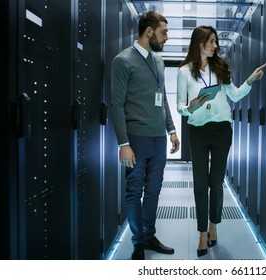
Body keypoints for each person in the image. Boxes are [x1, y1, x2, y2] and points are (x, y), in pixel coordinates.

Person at [176, 25, 266, 257]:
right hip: (196, 131)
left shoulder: (220, 68)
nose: (216, 46)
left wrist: (250, 81)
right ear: (200, 43)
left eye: (216, 42)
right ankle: (202, 233)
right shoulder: (185, 71)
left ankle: (213, 225)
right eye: (212, 42)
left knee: (216, 182)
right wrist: (189, 107)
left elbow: (234, 95)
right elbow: (179, 106)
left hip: (221, 131)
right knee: (200, 184)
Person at [110, 11, 180, 260]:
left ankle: (149, 235)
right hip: (136, 139)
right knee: (134, 190)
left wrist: (171, 130)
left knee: (153, 191)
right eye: (163, 32)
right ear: (149, 31)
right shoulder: (123, 61)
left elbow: (162, 101)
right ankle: (138, 241)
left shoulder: (158, 61)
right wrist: (123, 143)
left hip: (158, 138)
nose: (167, 38)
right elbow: (116, 105)